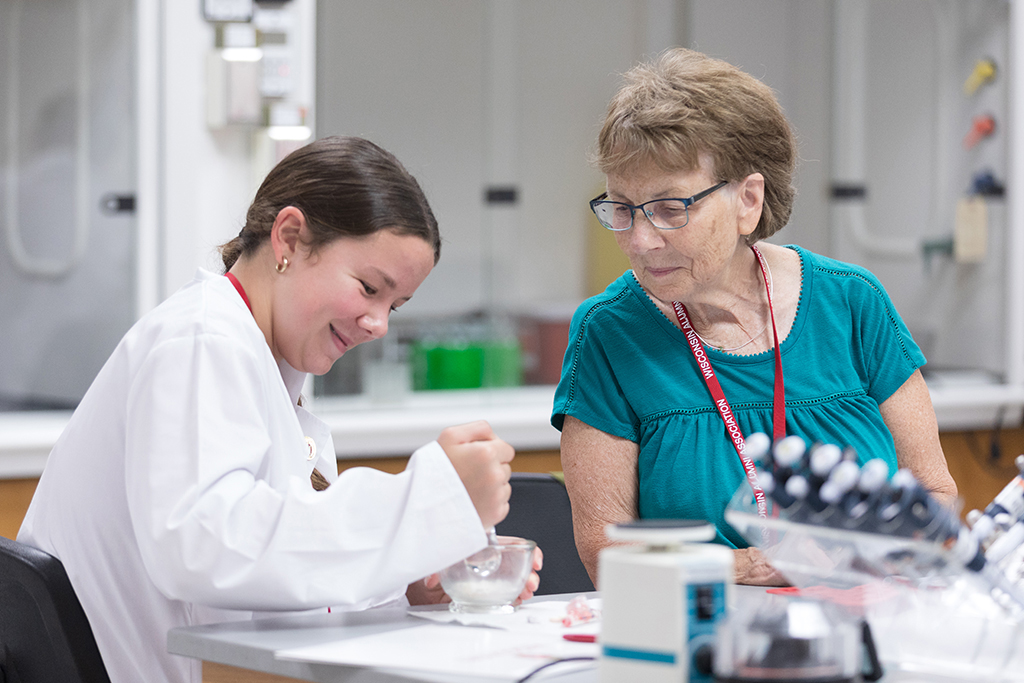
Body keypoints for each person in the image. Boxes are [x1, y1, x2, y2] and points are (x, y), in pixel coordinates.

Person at [18, 135, 540, 683]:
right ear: (289, 237)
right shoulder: (201, 340)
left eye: (395, 306)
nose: (379, 324)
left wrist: (406, 580)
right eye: (368, 289)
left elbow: (271, 583)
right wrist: (429, 502)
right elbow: (205, 546)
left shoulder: (260, 364)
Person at [552, 48, 958, 586]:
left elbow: (934, 495)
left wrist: (868, 551)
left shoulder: (852, 302)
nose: (640, 240)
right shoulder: (608, 333)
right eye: (622, 208)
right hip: (704, 638)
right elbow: (608, 558)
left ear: (748, 199)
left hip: (867, 621)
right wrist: (751, 566)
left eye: (672, 209)